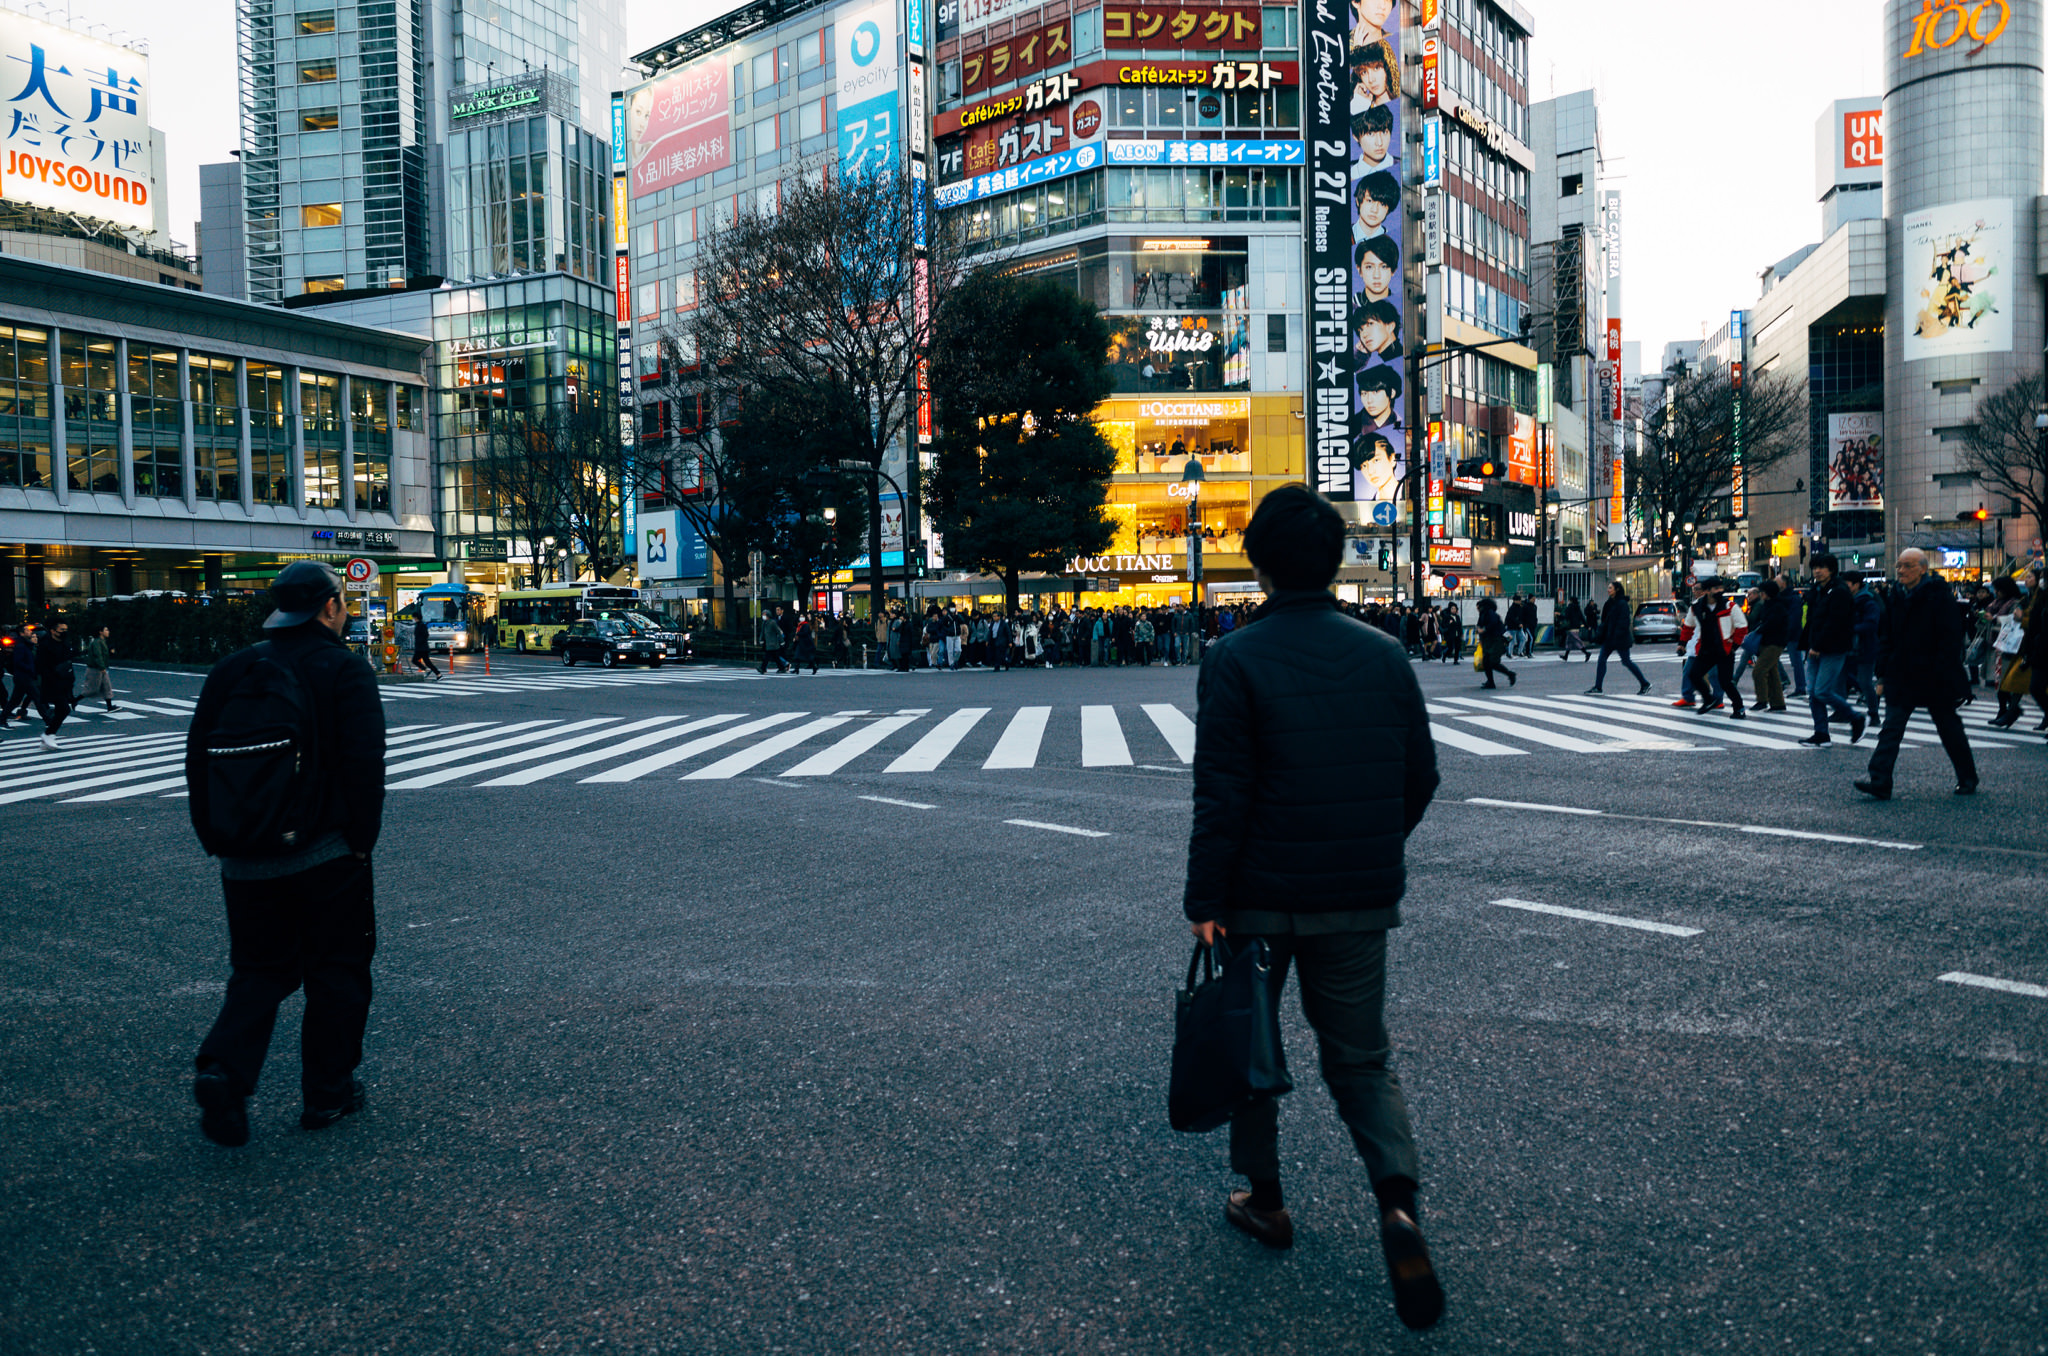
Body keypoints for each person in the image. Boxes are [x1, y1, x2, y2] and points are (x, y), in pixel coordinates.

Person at [1182, 483, 1444, 1331]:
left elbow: (1222, 795)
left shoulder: (1235, 658)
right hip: (1357, 897)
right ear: (1336, 560)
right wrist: (1371, 843)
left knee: (1254, 1053)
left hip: (1257, 900)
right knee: (1361, 1059)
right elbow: (1420, 779)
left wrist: (1205, 898)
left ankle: (1267, 1200)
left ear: (1257, 562)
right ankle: (1397, 1204)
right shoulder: (1384, 655)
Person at [185, 561, 387, 1147]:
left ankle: (224, 1071)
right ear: (327, 608)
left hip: (243, 860)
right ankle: (327, 1095)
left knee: (258, 972)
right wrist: (359, 844)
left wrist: (217, 839)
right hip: (325, 855)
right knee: (337, 972)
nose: (346, 611)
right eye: (343, 603)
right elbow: (362, 770)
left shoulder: (232, 669)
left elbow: (198, 762)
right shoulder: (343, 670)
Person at [1854, 549, 1978, 799]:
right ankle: (1880, 780)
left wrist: (1945, 671)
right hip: (1902, 672)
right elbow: (1887, 636)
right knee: (1891, 727)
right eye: (1899, 565)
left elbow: (1950, 639)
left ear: (1922, 568)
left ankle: (1967, 776)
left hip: (1935, 673)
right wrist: (1883, 674)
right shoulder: (1895, 595)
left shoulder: (1939, 596)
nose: (1901, 571)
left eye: (1907, 566)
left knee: (1949, 728)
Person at [1799, 554, 1865, 747]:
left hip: (1833, 648)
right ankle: (1821, 733)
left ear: (1832, 569)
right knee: (1813, 692)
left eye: (1822, 567)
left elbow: (1836, 623)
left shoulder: (1839, 592)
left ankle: (1855, 717)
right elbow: (1811, 620)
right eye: (1815, 567)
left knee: (1821, 691)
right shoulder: (1817, 590)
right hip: (1814, 647)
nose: (1817, 571)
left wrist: (1818, 645)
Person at [1687, 578, 1746, 718]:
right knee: (1693, 674)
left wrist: (1734, 645)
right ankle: (1709, 699)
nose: (1720, 591)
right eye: (1716, 588)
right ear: (1707, 591)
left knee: (1725, 682)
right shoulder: (1696, 607)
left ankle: (1739, 708)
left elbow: (1742, 626)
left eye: (1721, 588)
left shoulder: (1729, 606)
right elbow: (1688, 626)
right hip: (1705, 649)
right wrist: (1682, 644)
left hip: (1724, 649)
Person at [1585, 581, 1650, 694]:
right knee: (1601, 660)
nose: (1608, 590)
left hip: (1619, 638)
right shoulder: (1609, 603)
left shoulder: (1622, 603)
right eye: (1608, 588)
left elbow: (1624, 622)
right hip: (1609, 638)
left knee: (1626, 661)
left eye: (1610, 588)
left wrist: (1616, 634)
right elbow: (1605, 621)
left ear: (1617, 590)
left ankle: (1645, 683)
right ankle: (1598, 687)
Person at [29, 620, 75, 750]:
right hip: (52, 682)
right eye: (61, 630)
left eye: (66, 630)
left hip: (64, 681)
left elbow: (69, 662)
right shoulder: (45, 645)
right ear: (53, 631)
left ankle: (48, 735)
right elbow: (40, 666)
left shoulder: (65, 644)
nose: (64, 633)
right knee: (64, 709)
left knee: (63, 709)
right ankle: (48, 734)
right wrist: (53, 675)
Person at [1749, 579, 1791, 711]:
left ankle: (1762, 700)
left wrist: (1758, 629)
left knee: (1759, 671)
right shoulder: (1768, 604)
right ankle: (1778, 703)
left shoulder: (1777, 606)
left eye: (1762, 592)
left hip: (1774, 642)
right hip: (1767, 642)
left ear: (1768, 593)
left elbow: (1771, 624)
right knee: (1772, 673)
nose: (1761, 594)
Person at [79, 624, 120, 713]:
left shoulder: (102, 641)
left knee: (106, 687)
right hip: (96, 669)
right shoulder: (97, 642)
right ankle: (73, 701)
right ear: (100, 632)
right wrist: (102, 667)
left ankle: (109, 707)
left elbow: (103, 655)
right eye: (106, 630)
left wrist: (110, 653)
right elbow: (98, 656)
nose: (108, 632)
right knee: (91, 689)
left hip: (101, 668)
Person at [1475, 596, 1514, 688]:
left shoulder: (1490, 613)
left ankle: (1510, 674)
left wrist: (1483, 630)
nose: (1477, 608)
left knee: (1493, 662)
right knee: (1486, 662)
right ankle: (1490, 682)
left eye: (1479, 606)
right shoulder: (1485, 614)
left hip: (1496, 641)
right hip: (1488, 641)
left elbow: (1492, 625)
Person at [759, 605, 791, 674]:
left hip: (773, 643)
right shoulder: (764, 623)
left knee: (767, 657)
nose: (763, 616)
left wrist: (782, 641)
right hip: (768, 643)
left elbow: (778, 631)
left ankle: (763, 668)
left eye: (765, 615)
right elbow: (762, 632)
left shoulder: (772, 622)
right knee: (775, 657)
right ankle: (782, 667)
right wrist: (761, 640)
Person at [410, 614, 441, 679]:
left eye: (413, 617)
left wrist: (419, 642)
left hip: (421, 648)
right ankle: (438, 674)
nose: (412, 619)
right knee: (427, 662)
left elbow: (425, 635)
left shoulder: (421, 625)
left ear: (416, 618)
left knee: (414, 660)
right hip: (423, 647)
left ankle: (426, 669)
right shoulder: (419, 625)